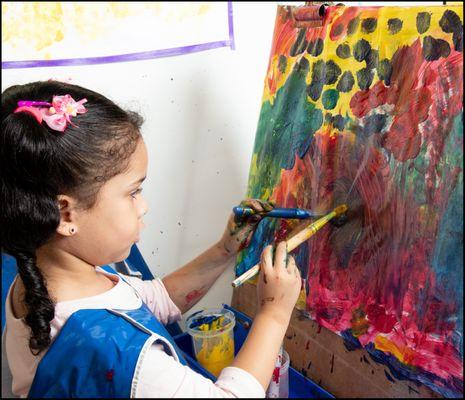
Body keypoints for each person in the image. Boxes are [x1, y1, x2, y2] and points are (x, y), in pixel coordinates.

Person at [1, 81, 302, 398]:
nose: (143, 206)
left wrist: (224, 249)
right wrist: (273, 314)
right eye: (133, 192)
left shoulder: (43, 283)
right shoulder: (121, 356)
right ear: (66, 215)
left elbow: (148, 302)